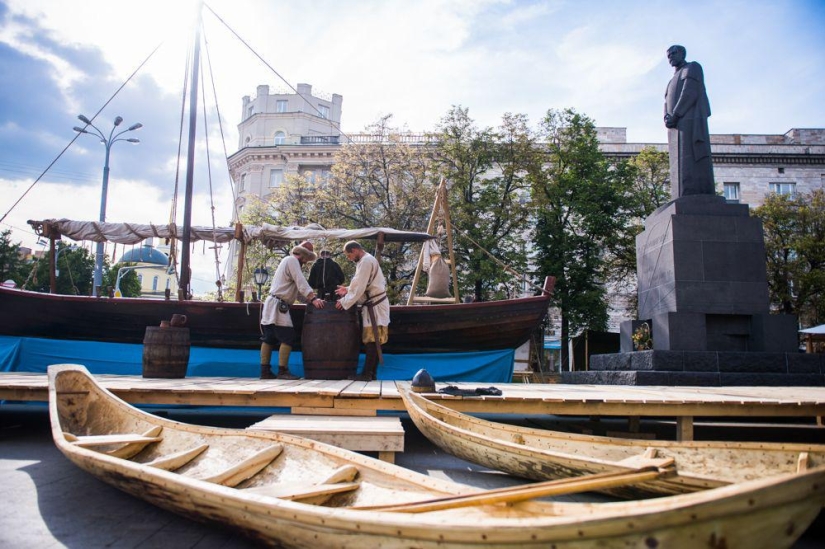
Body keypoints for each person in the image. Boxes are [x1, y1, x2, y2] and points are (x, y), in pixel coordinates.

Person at [259, 241, 325, 380]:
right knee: (288, 337)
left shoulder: (288, 262)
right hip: (279, 304)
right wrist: (313, 299)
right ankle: (282, 371)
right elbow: (301, 282)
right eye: (307, 259)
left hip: (273, 302)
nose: (306, 262)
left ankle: (265, 371)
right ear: (303, 256)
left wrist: (309, 300)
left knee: (269, 338)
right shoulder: (292, 261)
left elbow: (298, 292)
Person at [664, 44, 715, 199]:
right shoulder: (672, 79)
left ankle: (695, 193)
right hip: (675, 125)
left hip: (689, 120)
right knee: (678, 163)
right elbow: (666, 102)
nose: (670, 57)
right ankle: (681, 195)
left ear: (682, 53)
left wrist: (676, 114)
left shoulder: (692, 68)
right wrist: (666, 117)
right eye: (668, 55)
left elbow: (690, 92)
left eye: (673, 53)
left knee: (690, 157)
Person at [335, 241, 388, 381]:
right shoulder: (366, 261)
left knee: (372, 339)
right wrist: (346, 289)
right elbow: (362, 283)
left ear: (355, 250)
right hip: (375, 303)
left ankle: (367, 374)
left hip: (375, 305)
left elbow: (359, 289)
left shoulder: (365, 261)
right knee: (374, 339)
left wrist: (344, 302)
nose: (349, 258)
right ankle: (371, 373)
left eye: (349, 255)